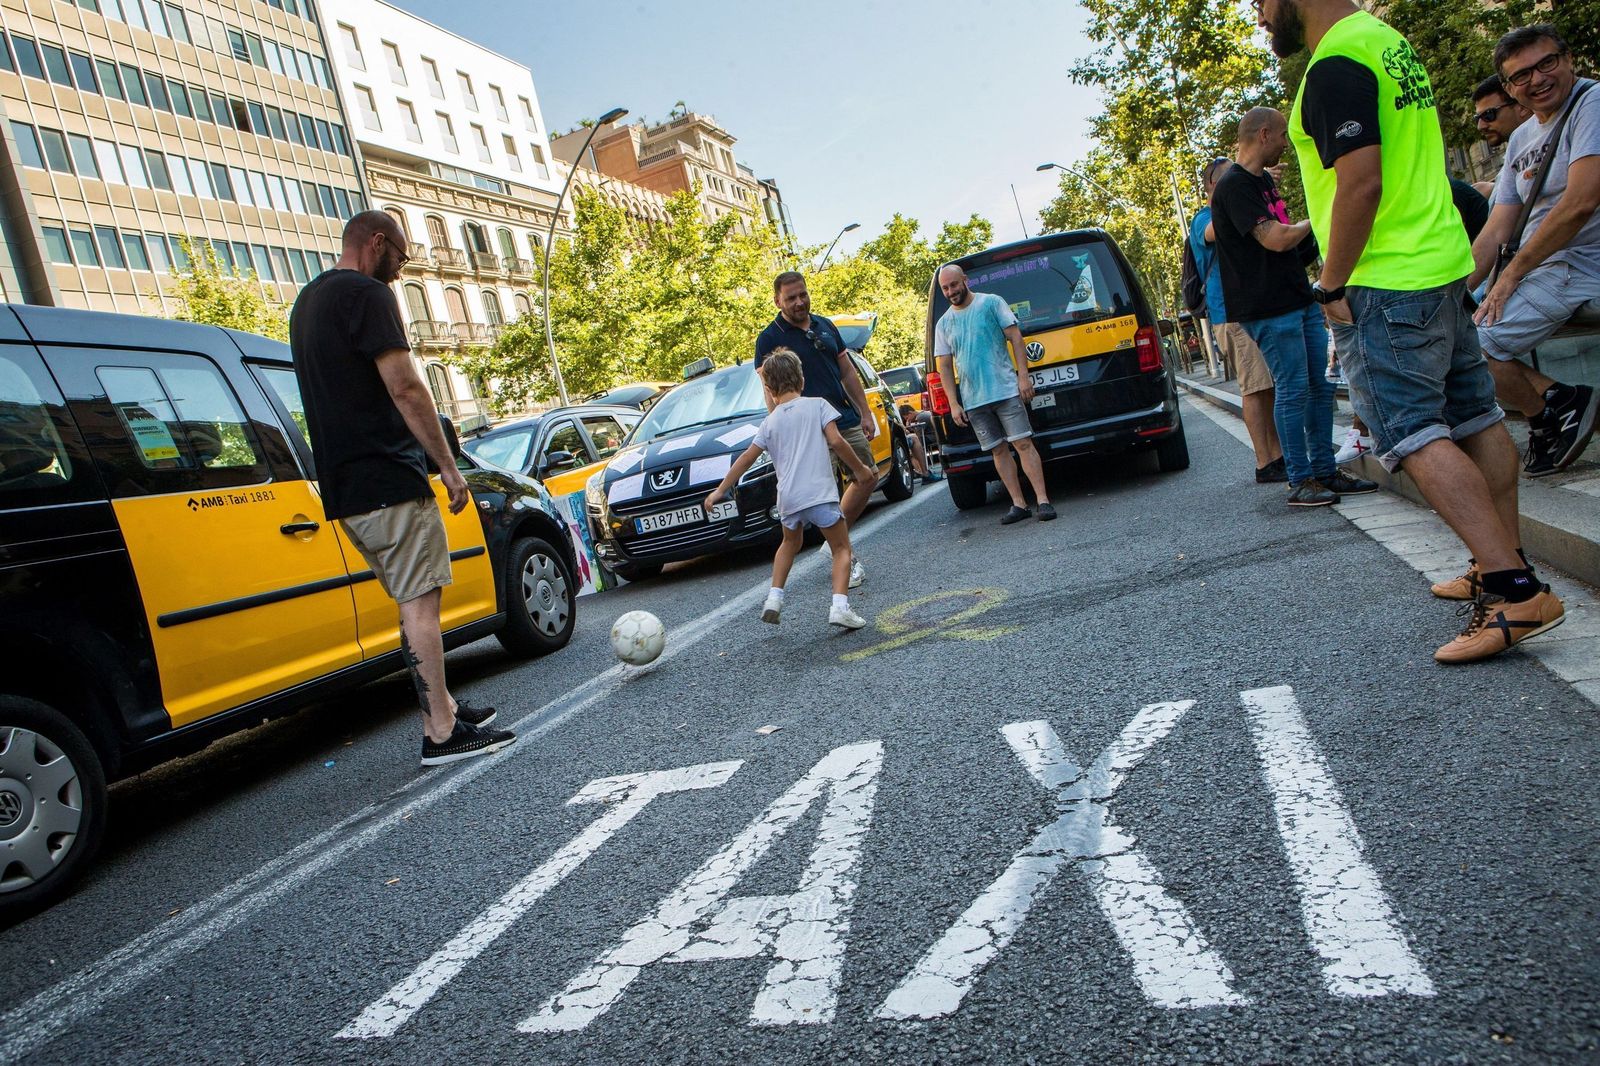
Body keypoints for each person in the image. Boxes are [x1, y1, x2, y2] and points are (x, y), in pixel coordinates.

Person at [1265, 0, 1565, 662]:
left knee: (1411, 434)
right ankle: (1495, 565)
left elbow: (1362, 184)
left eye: (1259, 2)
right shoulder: (1386, 42)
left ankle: (1515, 592)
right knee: (1476, 420)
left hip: (1387, 280)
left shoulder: (1336, 62)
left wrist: (1331, 283)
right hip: (1439, 264)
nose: (1259, 17)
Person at [289, 211, 515, 763]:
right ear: (377, 242)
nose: (401, 267)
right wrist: (450, 467)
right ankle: (442, 732)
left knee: (410, 601)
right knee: (421, 603)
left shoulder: (307, 303)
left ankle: (444, 709)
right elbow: (407, 387)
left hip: (345, 489)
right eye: (402, 255)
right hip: (388, 478)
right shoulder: (367, 294)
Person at [1212, 107, 1377, 507]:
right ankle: (1300, 479)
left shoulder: (1262, 181)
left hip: (1295, 296)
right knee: (1293, 388)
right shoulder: (1233, 186)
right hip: (1268, 306)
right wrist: (1322, 219)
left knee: (1319, 386)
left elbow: (1288, 243)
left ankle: (1323, 471)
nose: (1286, 143)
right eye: (1283, 135)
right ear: (1264, 134)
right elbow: (1275, 238)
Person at [1468, 24, 1600, 478]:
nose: (1537, 79)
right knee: (1455, 337)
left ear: (1568, 59)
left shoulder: (1592, 103)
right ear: (1508, 87)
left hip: (1578, 263)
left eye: (1546, 64)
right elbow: (1498, 226)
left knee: (1473, 348)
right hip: (1543, 269)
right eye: (1521, 76)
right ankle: (1557, 403)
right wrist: (1455, 288)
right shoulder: (1524, 137)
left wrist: (1511, 275)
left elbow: (1580, 203)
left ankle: (1551, 410)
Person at [704, 349, 872, 630]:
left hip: (789, 498)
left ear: (768, 390)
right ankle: (840, 607)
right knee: (841, 548)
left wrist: (720, 490)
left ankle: (774, 598)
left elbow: (746, 457)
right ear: (802, 380)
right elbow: (838, 441)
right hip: (820, 494)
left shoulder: (770, 422)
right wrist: (860, 469)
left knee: (789, 544)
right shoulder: (818, 405)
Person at [755, 272, 877, 587]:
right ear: (777, 301)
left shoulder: (825, 325)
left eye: (802, 295)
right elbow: (770, 391)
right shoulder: (769, 338)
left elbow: (847, 372)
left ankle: (833, 544)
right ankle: (845, 559)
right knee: (827, 495)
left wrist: (864, 412)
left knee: (867, 475)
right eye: (791, 297)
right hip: (807, 428)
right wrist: (780, 432)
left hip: (842, 417)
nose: (799, 302)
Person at [934, 264, 1055, 524]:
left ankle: (1043, 501)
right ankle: (1019, 504)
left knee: (1023, 443)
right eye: (945, 288)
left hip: (1005, 389)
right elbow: (943, 365)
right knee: (997, 451)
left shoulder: (991, 303)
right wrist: (954, 403)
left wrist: (1023, 377)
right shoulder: (944, 324)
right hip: (974, 399)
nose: (951, 291)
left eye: (954, 284)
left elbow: (1016, 338)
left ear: (965, 280)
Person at [1190, 155, 1287, 481]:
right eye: (1233, 177)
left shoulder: (1242, 206)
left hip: (1255, 307)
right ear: (1214, 186)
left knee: (1267, 386)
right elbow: (1215, 231)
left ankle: (1278, 455)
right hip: (1230, 313)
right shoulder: (1203, 218)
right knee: (1255, 387)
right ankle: (1264, 462)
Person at [1471, 74, 1533, 198]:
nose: (1481, 126)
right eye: (1477, 119)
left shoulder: (1544, 148)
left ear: (1522, 107)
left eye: (1488, 114)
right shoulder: (1515, 156)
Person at [898, 403, 942, 483]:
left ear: (910, 413)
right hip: (934, 435)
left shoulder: (920, 417)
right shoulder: (921, 413)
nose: (907, 420)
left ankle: (920, 471)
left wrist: (910, 427)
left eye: (907, 418)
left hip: (932, 437)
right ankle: (922, 471)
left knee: (912, 446)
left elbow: (919, 436)